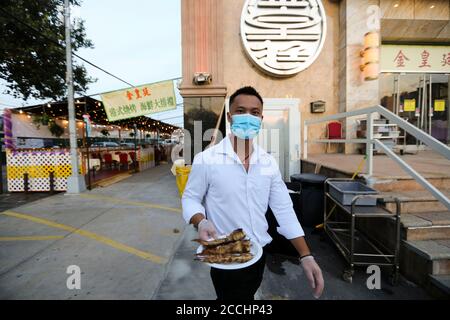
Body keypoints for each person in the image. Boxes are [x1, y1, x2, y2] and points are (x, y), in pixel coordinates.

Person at [182, 86, 324, 300]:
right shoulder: (207, 159)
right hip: (225, 253)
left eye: (254, 112)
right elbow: (190, 198)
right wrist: (201, 221)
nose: (248, 117)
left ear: (261, 118)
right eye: (241, 111)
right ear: (229, 117)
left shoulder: (267, 162)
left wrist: (306, 255)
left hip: (259, 253)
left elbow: (284, 210)